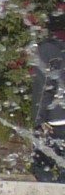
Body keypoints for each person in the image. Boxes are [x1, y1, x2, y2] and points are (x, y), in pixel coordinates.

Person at [35, 12, 65, 182]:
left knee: (39, 164)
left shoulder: (47, 48)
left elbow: (44, 86)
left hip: (57, 118)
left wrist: (39, 119)